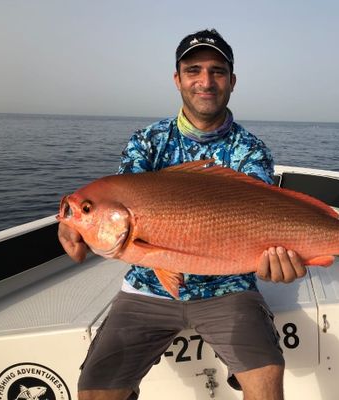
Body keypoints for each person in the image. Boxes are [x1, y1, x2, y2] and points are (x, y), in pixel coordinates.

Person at [58, 29, 306, 400]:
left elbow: (262, 216)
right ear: (178, 79)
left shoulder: (250, 149)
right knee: (94, 391)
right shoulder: (147, 141)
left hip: (229, 289)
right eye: (193, 70)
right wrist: (73, 224)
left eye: (217, 71)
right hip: (147, 288)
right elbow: (120, 199)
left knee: (267, 378)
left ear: (232, 81)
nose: (205, 81)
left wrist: (281, 260)